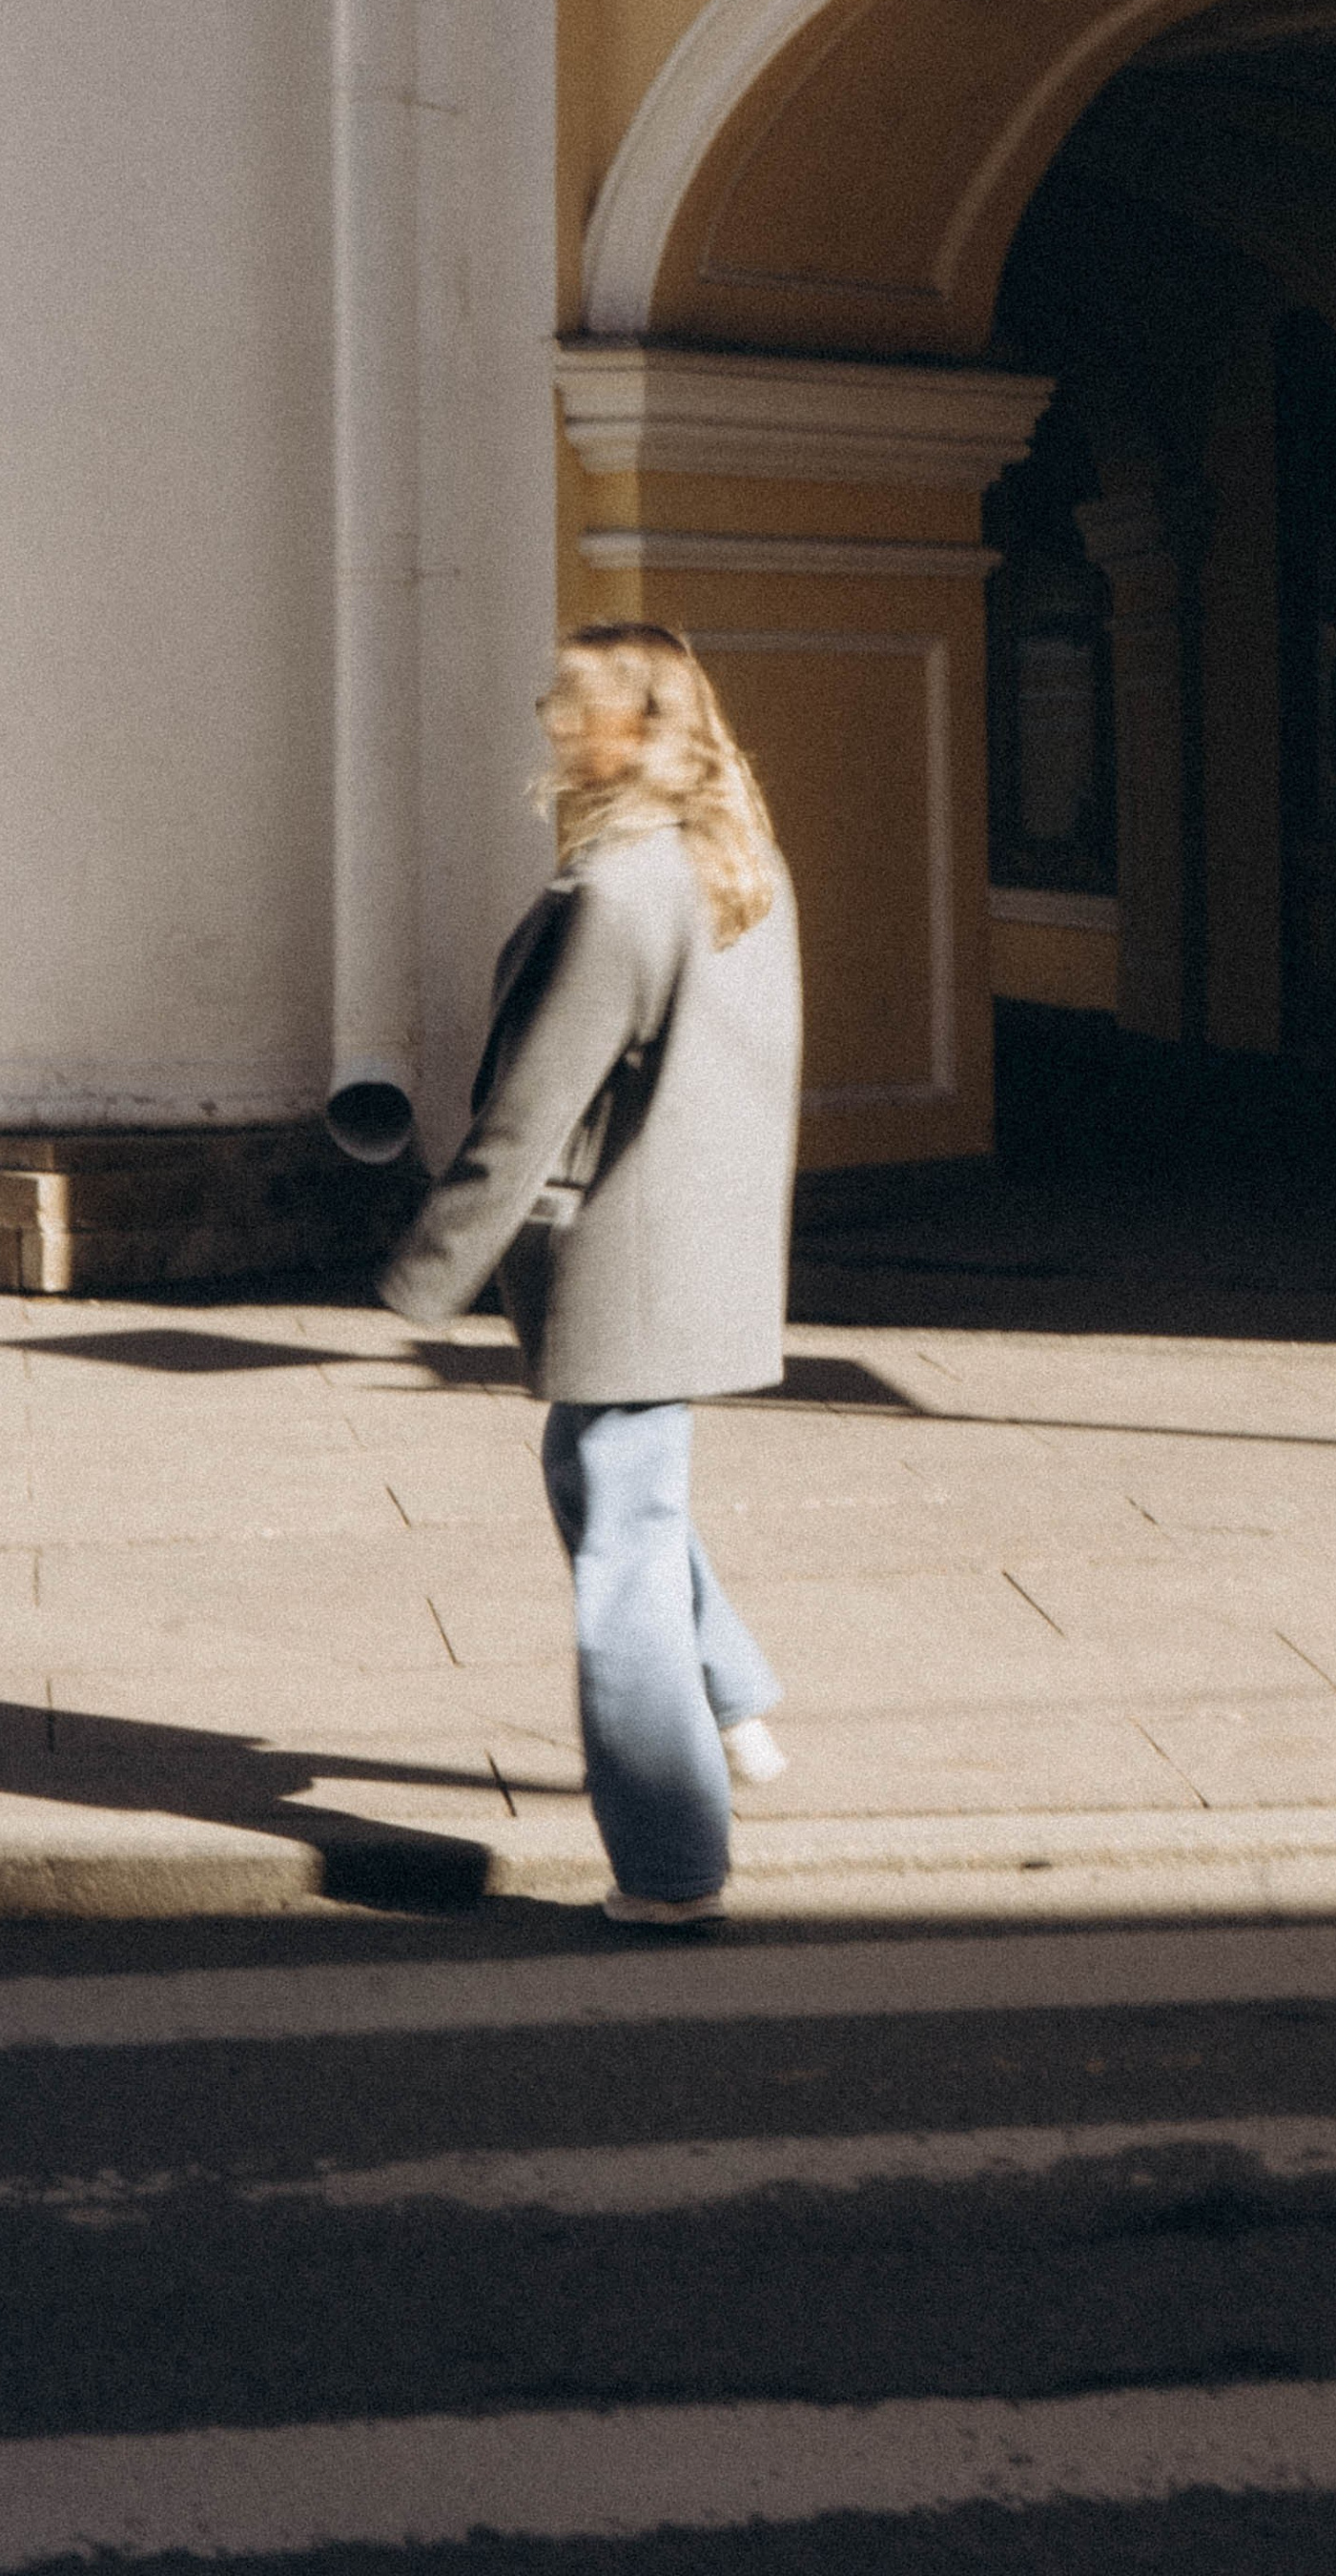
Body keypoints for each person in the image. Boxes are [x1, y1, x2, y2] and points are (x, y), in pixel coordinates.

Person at [379, 622, 801, 1926]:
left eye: (574, 703)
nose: (551, 720)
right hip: (701, 1241)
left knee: (620, 1538)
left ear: (635, 728)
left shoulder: (614, 892)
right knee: (609, 1475)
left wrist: (423, 1280)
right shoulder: (735, 860)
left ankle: (672, 1867)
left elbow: (524, 1117)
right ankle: (735, 1703)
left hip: (625, 1252)